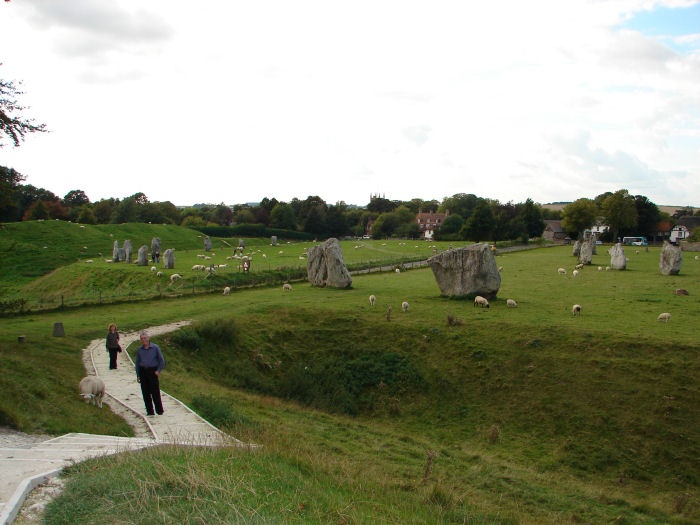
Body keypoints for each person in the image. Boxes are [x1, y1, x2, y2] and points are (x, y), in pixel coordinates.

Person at [135, 330, 166, 416]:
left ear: (148, 338)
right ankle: (149, 411)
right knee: (145, 392)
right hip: (143, 371)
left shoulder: (155, 348)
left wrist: (158, 371)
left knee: (155, 391)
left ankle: (159, 410)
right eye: (142, 338)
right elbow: (137, 363)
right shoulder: (139, 350)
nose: (144, 340)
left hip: (152, 371)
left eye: (145, 338)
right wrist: (138, 375)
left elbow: (162, 361)